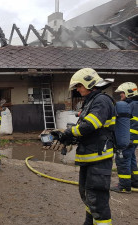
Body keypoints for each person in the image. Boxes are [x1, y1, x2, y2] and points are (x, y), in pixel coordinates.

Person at [52, 68, 115, 225]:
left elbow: (90, 126)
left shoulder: (101, 101)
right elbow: (87, 132)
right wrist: (68, 138)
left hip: (99, 159)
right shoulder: (91, 102)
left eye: (79, 86)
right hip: (90, 158)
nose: (78, 90)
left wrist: (67, 132)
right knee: (88, 197)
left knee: (97, 201)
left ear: (90, 82)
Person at [111, 82, 138, 193]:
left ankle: (123, 186)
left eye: (122, 93)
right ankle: (135, 182)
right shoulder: (135, 104)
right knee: (131, 160)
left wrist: (127, 139)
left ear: (129, 93)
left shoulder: (131, 105)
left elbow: (133, 124)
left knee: (122, 160)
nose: (121, 95)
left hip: (129, 139)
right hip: (133, 139)